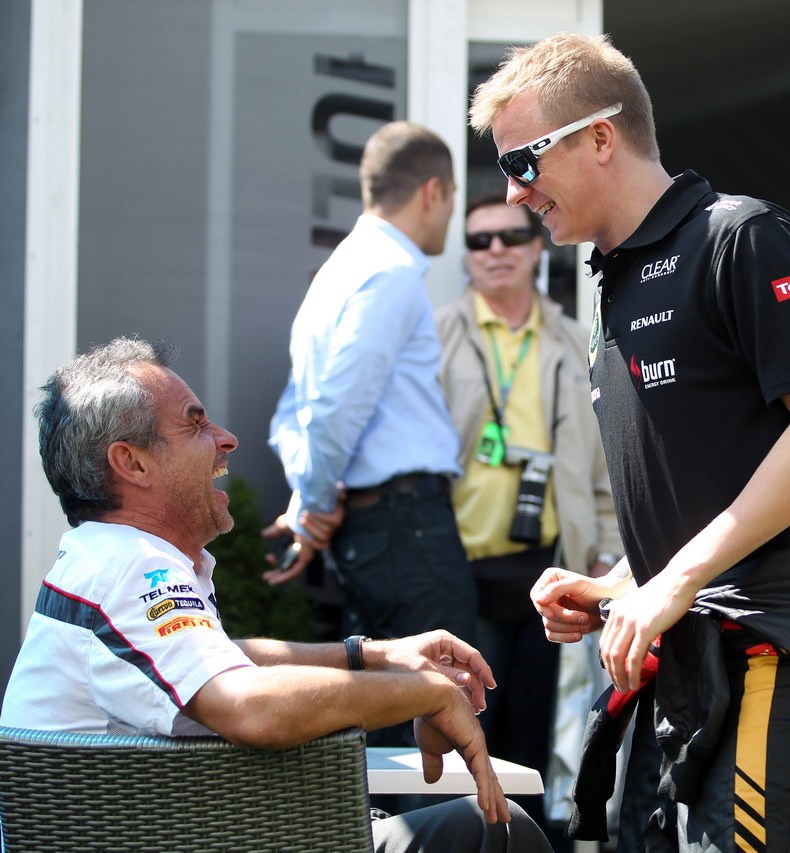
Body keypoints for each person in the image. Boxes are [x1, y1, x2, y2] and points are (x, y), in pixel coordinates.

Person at [469, 33, 790, 852]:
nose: (512, 192)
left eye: (525, 161)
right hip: (683, 662)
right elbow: (709, 488)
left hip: (776, 645)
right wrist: (618, 585)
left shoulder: (741, 236)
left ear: (600, 136)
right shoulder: (612, 278)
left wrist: (668, 580)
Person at [0, 337, 553, 853]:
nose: (226, 439)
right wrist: (425, 693)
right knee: (499, 834)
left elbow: (214, 665)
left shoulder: (112, 558)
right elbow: (248, 706)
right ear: (133, 462)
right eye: (195, 425)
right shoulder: (133, 567)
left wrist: (374, 655)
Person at [436, 190, 623, 846]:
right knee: (467, 735)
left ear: (536, 246)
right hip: (464, 569)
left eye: (510, 236)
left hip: (548, 570)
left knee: (534, 742)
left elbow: (603, 465)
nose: (495, 252)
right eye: (479, 240)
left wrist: (602, 551)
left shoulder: (577, 339)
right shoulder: (436, 336)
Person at [264, 121, 476, 655]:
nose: (450, 215)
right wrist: (314, 502)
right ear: (434, 192)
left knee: (387, 705)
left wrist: (311, 499)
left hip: (373, 532)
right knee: (438, 705)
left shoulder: (335, 273)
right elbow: (336, 407)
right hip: (406, 530)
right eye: (452, 199)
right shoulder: (392, 272)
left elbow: (292, 414)